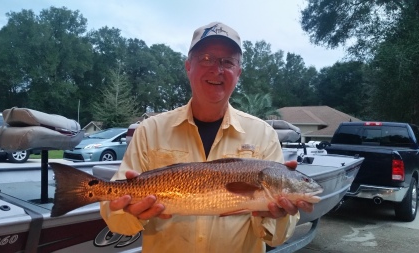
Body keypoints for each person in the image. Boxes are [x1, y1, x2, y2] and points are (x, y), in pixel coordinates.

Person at [100, 21, 313, 253]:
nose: (217, 69)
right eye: (206, 58)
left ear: (238, 73)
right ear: (188, 66)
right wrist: (127, 213)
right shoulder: (149, 130)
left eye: (227, 61)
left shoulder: (264, 135)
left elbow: (276, 238)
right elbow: (116, 219)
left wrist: (279, 216)